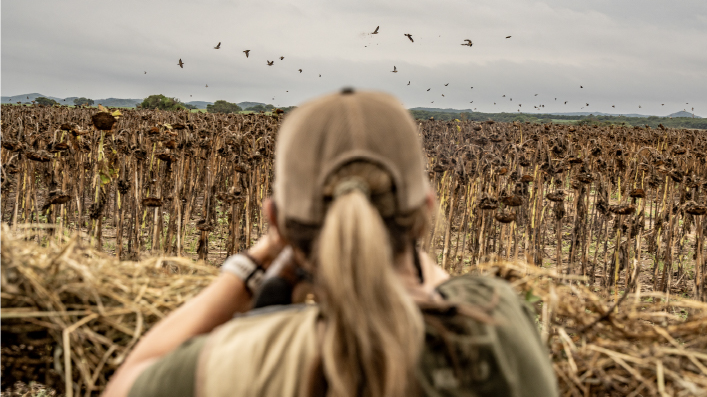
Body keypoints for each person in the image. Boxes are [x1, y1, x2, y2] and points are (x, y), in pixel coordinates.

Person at [103, 88, 557, 397]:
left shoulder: (242, 359)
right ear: (426, 211)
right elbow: (439, 291)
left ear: (276, 220)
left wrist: (254, 266)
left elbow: (128, 382)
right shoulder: (494, 324)